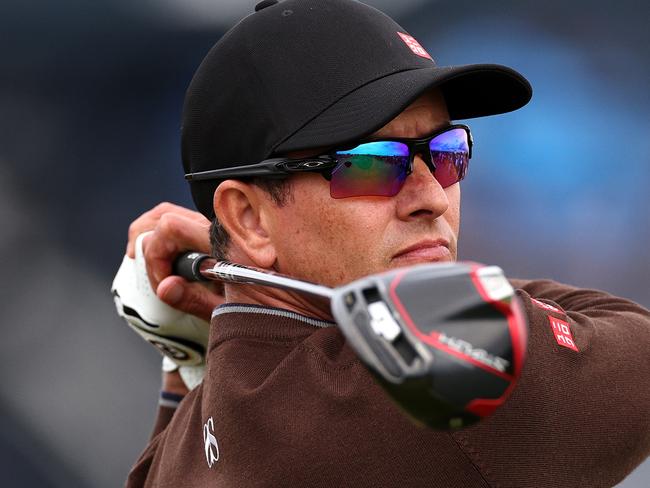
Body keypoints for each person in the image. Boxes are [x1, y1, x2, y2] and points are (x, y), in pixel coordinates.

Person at [119, 0, 650, 486]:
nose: (432, 198)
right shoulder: (436, 386)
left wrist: (189, 367)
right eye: (372, 163)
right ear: (250, 219)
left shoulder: (186, 443)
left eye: (445, 152)